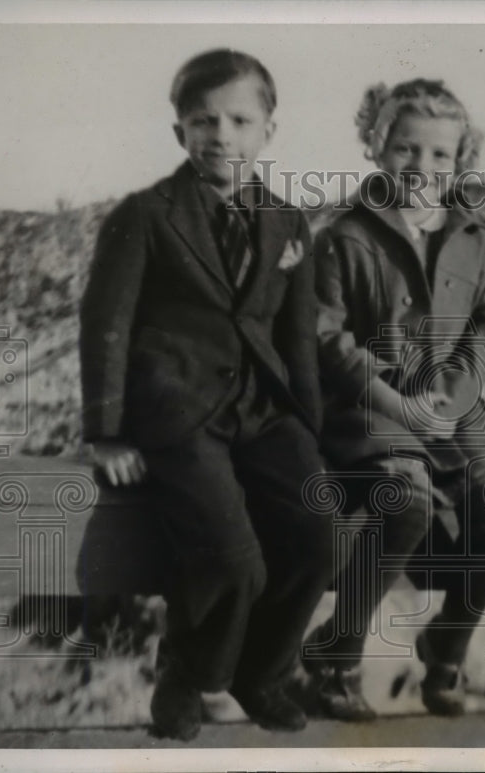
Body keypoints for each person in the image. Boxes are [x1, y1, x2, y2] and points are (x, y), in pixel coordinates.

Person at [79, 48, 334, 740]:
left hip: (264, 410)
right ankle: (186, 671)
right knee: (231, 559)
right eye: (202, 120)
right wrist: (105, 431)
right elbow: (107, 323)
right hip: (180, 414)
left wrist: (307, 429)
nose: (221, 133)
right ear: (179, 133)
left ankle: (265, 671)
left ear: (267, 131)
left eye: (239, 119)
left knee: (320, 534)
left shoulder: (289, 224)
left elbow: (298, 337)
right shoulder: (145, 215)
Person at [306, 78, 485, 720]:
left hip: (450, 406)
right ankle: (337, 654)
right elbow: (327, 337)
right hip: (368, 404)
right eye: (405, 149)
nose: (421, 168)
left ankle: (448, 647)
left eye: (439, 156)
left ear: (461, 162)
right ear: (376, 146)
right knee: (408, 498)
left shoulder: (479, 239)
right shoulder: (344, 236)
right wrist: (397, 406)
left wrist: (450, 402)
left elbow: (483, 325)